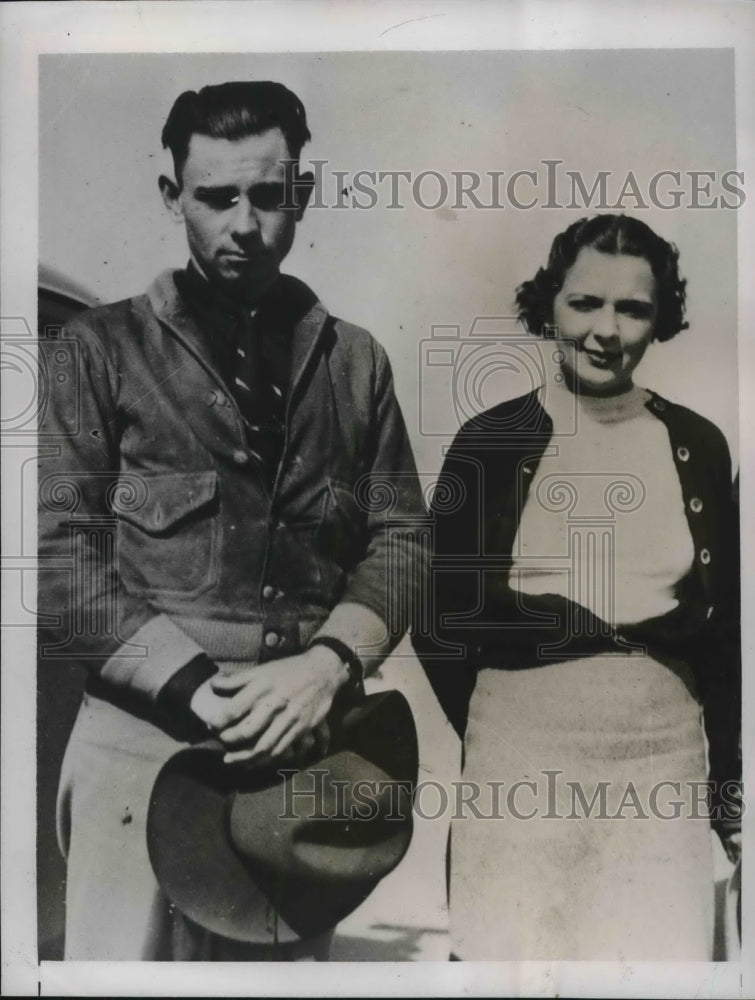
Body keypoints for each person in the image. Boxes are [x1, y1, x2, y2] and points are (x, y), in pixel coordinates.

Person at [38, 80, 424, 961]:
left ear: (303, 195)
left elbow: (400, 534)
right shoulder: (101, 350)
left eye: (267, 195)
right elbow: (59, 557)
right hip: (144, 756)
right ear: (174, 196)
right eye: (215, 197)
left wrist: (330, 666)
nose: (243, 224)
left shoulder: (354, 362)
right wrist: (194, 688)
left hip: (298, 760)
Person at [414, 214, 741, 960]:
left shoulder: (697, 445)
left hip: (662, 766)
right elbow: (438, 621)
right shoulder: (489, 441)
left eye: (632, 308)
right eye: (584, 303)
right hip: (518, 763)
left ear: (660, 321)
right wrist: (508, 731)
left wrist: (728, 795)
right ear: (549, 305)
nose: (605, 329)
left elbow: (725, 640)